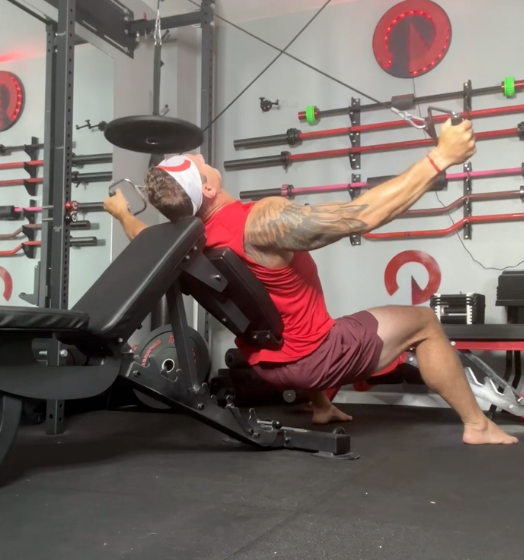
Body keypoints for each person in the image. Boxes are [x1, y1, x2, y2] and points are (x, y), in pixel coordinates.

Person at [104, 119, 517, 445]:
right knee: (424, 322)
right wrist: (440, 157)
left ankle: (322, 405)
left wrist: (123, 213)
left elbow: (142, 236)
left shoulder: (182, 242)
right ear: (208, 188)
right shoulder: (260, 222)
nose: (197, 153)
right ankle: (477, 425)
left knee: (305, 311)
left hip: (267, 366)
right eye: (195, 162)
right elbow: (362, 216)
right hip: (314, 360)